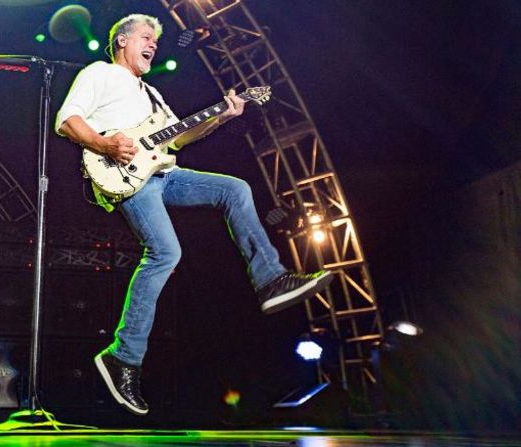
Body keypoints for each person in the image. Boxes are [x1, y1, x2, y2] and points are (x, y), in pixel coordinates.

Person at [55, 13, 333, 416]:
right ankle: (123, 357)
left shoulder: (151, 93)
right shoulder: (99, 73)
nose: (153, 45)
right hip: (127, 175)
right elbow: (67, 121)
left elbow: (179, 137)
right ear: (122, 42)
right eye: (146, 37)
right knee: (166, 253)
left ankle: (271, 281)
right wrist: (105, 145)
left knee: (235, 189)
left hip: (166, 172)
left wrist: (222, 114)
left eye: (155, 40)